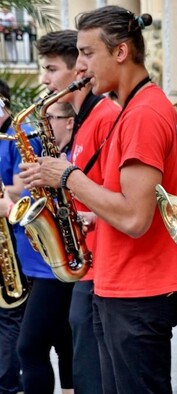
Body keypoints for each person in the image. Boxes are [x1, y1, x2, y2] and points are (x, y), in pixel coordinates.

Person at [20, 6, 177, 393]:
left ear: (120, 52)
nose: (81, 66)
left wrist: (67, 176)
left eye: (87, 53)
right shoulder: (135, 108)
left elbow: (135, 218)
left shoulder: (142, 114)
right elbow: (134, 203)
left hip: (140, 287)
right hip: (126, 282)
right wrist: (93, 217)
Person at [34, 29, 121, 394]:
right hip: (90, 258)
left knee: (95, 372)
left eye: (51, 69)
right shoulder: (87, 118)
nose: (44, 79)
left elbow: (126, 198)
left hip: (107, 263)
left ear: (78, 71)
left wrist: (66, 179)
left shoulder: (106, 116)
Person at [6, 101, 76, 394]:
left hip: (55, 265)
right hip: (40, 262)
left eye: (50, 117)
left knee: (29, 348)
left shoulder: (72, 155)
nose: (43, 123)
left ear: (70, 121)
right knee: (63, 341)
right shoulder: (47, 151)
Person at [0, 79, 32, 394]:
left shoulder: (14, 138)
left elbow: (19, 190)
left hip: (14, 238)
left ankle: (8, 385)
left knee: (9, 315)